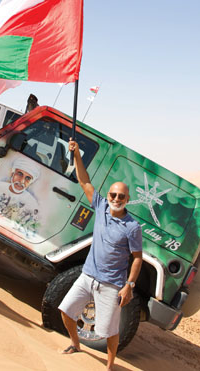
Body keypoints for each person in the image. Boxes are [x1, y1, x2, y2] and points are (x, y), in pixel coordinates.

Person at [59, 139, 143, 370]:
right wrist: (76, 154)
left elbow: (137, 257)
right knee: (66, 311)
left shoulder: (132, 226)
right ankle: (76, 344)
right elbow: (84, 180)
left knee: (108, 331)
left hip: (111, 285)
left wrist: (129, 285)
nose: (116, 199)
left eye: (121, 197)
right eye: (113, 195)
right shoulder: (102, 207)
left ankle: (109, 365)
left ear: (127, 200)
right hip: (87, 276)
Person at [0, 158, 42, 239]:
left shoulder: (32, 204)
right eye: (19, 174)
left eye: (28, 178)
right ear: (12, 174)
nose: (22, 181)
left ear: (31, 182)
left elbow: (31, 232)